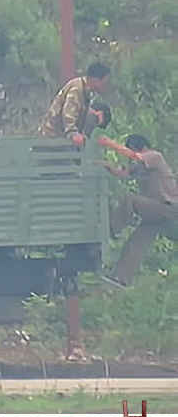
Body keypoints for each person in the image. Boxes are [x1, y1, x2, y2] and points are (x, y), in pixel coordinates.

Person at [103, 134, 178, 287]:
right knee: (135, 244)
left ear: (138, 147)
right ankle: (120, 279)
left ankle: (112, 229)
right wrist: (106, 166)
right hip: (157, 213)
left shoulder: (154, 156)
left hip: (166, 208)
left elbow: (136, 157)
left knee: (130, 199)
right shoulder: (142, 165)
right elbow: (124, 174)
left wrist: (110, 144)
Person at [38, 61, 111, 145]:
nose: (105, 85)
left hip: (59, 136)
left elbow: (78, 109)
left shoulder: (86, 90)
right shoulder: (77, 89)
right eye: (104, 82)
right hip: (52, 137)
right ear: (95, 80)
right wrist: (72, 133)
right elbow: (68, 112)